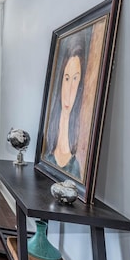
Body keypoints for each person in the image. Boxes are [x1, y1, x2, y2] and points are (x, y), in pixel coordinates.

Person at [43, 34, 85, 179]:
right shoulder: (47, 148)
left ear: (80, 84)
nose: (69, 90)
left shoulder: (75, 167)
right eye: (67, 78)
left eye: (75, 79)